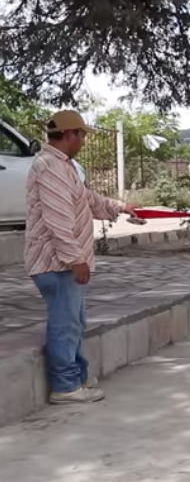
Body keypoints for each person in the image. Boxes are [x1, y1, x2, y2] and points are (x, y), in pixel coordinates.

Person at [24, 110, 139, 403]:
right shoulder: (50, 167)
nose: (84, 140)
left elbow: (89, 201)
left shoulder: (66, 167)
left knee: (75, 321)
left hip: (63, 261)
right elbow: (58, 219)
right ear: (69, 134)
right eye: (82, 134)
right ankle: (64, 386)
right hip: (55, 262)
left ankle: (77, 376)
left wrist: (121, 207)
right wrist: (76, 258)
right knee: (65, 323)